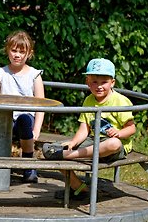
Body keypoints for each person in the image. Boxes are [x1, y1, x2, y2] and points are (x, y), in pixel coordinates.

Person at [42, 58, 136, 199]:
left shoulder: (119, 101)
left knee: (114, 143)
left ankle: (70, 155)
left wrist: (119, 133)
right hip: (92, 142)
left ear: (112, 83)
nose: (99, 86)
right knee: (51, 150)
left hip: (112, 146)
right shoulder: (88, 100)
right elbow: (84, 129)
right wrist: (73, 143)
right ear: (87, 82)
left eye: (104, 82)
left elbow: (131, 128)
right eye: (94, 82)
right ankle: (80, 188)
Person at [0, 30, 45, 183]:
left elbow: (41, 103)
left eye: (22, 51)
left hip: (26, 120)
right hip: (3, 119)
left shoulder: (34, 75)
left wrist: (37, 129)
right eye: (14, 50)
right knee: (4, 124)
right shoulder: (0, 73)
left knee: (24, 120)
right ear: (7, 50)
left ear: (29, 53)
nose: (17, 55)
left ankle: (28, 164)